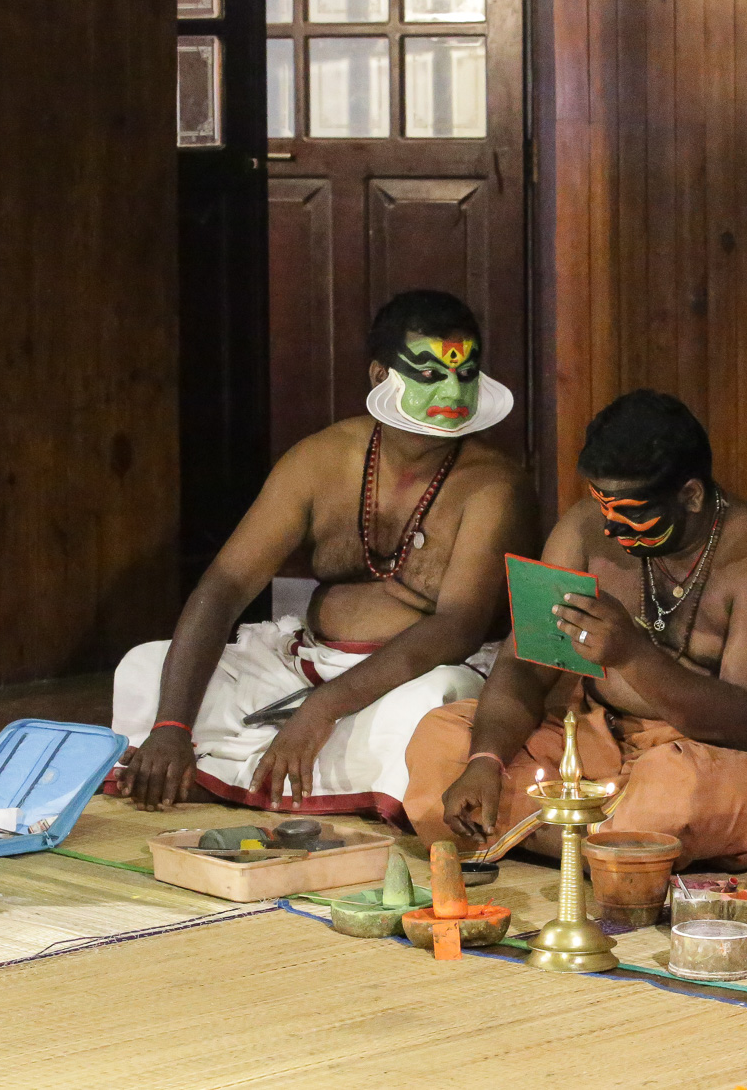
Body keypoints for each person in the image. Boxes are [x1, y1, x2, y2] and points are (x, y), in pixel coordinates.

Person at [111, 290, 538, 818]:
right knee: (145, 666)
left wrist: (322, 710)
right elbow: (224, 588)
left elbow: (458, 627)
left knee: (428, 708)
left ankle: (229, 774)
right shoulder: (321, 458)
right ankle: (203, 759)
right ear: (380, 376)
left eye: (466, 372)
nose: (453, 389)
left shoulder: (494, 485)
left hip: (414, 676)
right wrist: (171, 725)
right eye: (429, 374)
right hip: (305, 661)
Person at [403, 390, 747, 870]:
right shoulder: (583, 530)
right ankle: (610, 846)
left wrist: (631, 654)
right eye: (603, 504)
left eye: (631, 511)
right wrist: (486, 762)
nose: (610, 528)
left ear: (690, 495)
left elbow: (742, 726)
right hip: (597, 739)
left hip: (730, 757)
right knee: (443, 741)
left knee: (676, 793)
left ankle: (568, 835)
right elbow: (525, 664)